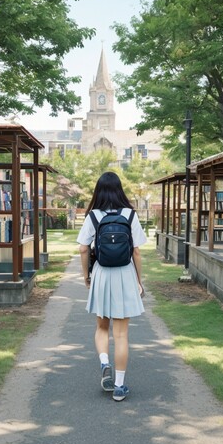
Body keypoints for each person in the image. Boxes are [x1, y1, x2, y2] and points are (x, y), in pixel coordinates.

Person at [77, 171, 147, 402]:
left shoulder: (93, 216)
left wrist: (86, 276)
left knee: (102, 326)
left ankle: (104, 363)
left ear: (99, 190)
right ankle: (119, 386)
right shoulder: (130, 215)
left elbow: (83, 249)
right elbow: (136, 251)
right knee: (122, 334)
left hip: (102, 274)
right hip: (125, 274)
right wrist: (139, 280)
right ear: (119, 190)